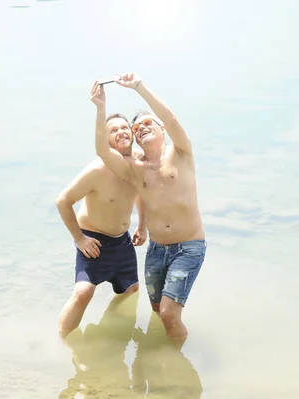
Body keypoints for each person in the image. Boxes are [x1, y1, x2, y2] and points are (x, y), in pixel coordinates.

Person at [91, 73, 207, 342]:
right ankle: (163, 356)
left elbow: (171, 118)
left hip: (189, 246)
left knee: (168, 312)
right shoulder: (135, 170)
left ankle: (175, 376)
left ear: (161, 129)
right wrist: (100, 108)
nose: (140, 128)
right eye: (136, 129)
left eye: (147, 123)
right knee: (157, 310)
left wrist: (138, 88)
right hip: (156, 250)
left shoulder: (181, 153)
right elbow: (102, 151)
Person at [55, 97, 147, 339]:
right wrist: (79, 239)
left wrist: (142, 225)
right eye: (113, 130)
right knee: (83, 293)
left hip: (123, 242)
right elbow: (63, 201)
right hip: (94, 241)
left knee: (131, 290)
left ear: (132, 133)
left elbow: (141, 194)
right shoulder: (97, 170)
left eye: (124, 128)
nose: (120, 132)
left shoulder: (139, 163)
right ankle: (62, 341)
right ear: (106, 139)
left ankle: (106, 326)